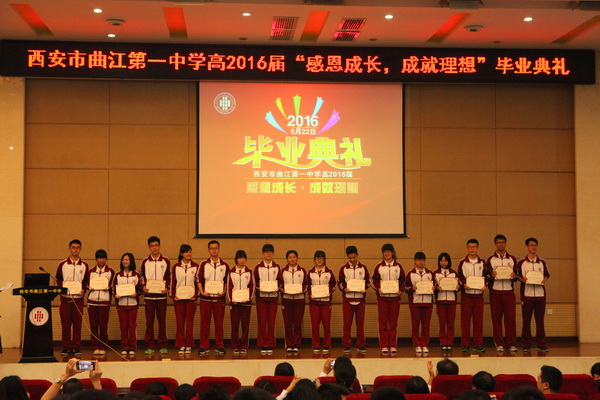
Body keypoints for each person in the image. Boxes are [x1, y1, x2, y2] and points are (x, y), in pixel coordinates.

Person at [516, 237, 550, 352]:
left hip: (540, 295)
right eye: (531, 245)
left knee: (540, 321)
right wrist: (523, 279)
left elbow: (546, 275)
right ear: (527, 247)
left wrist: (544, 280)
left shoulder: (542, 262)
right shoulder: (521, 262)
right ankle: (526, 344)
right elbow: (517, 276)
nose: (533, 247)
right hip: (527, 295)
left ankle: (541, 343)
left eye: (535, 245)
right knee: (526, 320)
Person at [485, 234, 518, 353]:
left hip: (508, 292)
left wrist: (514, 276)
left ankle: (511, 343)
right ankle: (499, 343)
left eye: (503, 242)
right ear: (495, 244)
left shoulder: (512, 259)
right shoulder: (491, 259)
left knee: (510, 319)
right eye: (498, 242)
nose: (501, 244)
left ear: (505, 243)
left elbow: (517, 275)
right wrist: (491, 275)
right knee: (496, 319)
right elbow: (486, 276)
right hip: (495, 292)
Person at [56, 239, 89, 356]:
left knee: (77, 325)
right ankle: (66, 347)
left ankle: (76, 347)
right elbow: (58, 280)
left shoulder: (84, 265)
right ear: (69, 249)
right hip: (65, 300)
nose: (75, 250)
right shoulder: (62, 264)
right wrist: (61, 291)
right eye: (73, 247)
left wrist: (83, 290)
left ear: (80, 249)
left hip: (78, 300)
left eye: (78, 248)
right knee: (65, 325)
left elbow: (86, 281)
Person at [371, 243, 405, 355]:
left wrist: (400, 290)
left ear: (392, 252)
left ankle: (393, 345)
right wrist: (378, 288)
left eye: (389, 251)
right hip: (382, 298)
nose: (387, 254)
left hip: (395, 298)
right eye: (385, 252)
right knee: (383, 322)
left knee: (393, 322)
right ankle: (384, 345)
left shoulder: (398, 267)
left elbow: (403, 280)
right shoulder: (379, 267)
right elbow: (374, 280)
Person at [197, 240, 229, 355]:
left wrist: (224, 291)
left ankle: (219, 346)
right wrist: (202, 292)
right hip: (206, 299)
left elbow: (227, 281)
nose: (214, 250)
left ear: (219, 249)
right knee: (204, 324)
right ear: (208, 250)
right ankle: (204, 346)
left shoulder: (224, 265)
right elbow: (199, 280)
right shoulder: (203, 264)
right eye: (211, 248)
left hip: (219, 299)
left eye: (216, 248)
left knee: (219, 324)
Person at [140, 235, 170, 355]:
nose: (154, 248)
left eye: (156, 245)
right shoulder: (145, 262)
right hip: (149, 297)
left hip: (161, 296)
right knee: (149, 322)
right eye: (152, 246)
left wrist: (167, 288)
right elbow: (141, 277)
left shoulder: (166, 261)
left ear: (159, 246)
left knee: (162, 321)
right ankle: (149, 345)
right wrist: (143, 287)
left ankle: (163, 345)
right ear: (149, 247)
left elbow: (168, 277)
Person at [457, 238, 487, 353]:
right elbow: (459, 276)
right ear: (467, 248)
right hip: (467, 296)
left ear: (477, 248)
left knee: (478, 322)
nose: (472, 249)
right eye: (470, 247)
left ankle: (478, 344)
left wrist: (485, 285)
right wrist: (464, 284)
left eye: (474, 247)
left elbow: (486, 276)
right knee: (465, 322)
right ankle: (465, 344)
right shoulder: (462, 262)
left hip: (479, 296)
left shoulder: (482, 262)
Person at [338, 245, 370, 353]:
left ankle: (361, 345)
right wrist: (344, 289)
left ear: (357, 255)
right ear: (347, 257)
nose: (352, 260)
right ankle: (347, 344)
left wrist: (364, 288)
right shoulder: (344, 268)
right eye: (350, 258)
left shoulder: (363, 268)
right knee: (347, 324)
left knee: (360, 323)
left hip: (360, 300)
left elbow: (368, 282)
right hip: (348, 300)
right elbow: (340, 282)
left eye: (354, 257)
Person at [86, 249, 115, 356]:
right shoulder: (91, 271)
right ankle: (95, 346)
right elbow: (86, 284)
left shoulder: (110, 271)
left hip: (104, 302)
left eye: (103, 258)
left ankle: (103, 346)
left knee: (103, 326)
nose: (101, 260)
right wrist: (89, 287)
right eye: (99, 258)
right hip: (92, 302)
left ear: (106, 259)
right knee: (93, 325)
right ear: (96, 259)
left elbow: (114, 286)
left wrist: (109, 288)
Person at [254, 243, 282, 355]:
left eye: (270, 251)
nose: (268, 254)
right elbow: (255, 281)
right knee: (262, 322)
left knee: (271, 322)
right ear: (263, 253)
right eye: (266, 252)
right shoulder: (258, 267)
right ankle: (262, 343)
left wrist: (276, 287)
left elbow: (280, 281)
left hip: (273, 298)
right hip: (261, 298)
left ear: (273, 253)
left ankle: (270, 343)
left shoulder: (277, 267)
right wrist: (260, 287)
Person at [113, 253, 143, 356]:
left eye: (127, 260)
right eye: (123, 260)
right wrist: (116, 295)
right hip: (121, 305)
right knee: (123, 326)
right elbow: (113, 289)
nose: (125, 262)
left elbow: (140, 290)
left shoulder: (136, 275)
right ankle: (125, 346)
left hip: (133, 304)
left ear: (131, 261)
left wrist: (136, 294)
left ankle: (132, 346)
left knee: (132, 326)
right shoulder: (117, 275)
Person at [171, 244, 199, 355]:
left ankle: (189, 344)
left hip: (191, 299)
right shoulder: (176, 267)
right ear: (181, 254)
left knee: (190, 322)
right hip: (179, 299)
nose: (188, 254)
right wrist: (173, 295)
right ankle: (181, 344)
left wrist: (195, 296)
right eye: (186, 252)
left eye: (190, 251)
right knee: (180, 322)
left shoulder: (196, 266)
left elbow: (198, 283)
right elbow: (173, 282)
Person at [307, 250, 336, 354]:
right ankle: (315, 345)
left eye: (321, 258)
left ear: (324, 259)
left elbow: (333, 284)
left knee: (326, 325)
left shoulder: (329, 272)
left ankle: (326, 344)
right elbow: (307, 285)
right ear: (314, 260)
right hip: (314, 302)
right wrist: (310, 293)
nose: (319, 260)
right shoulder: (310, 272)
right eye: (317, 258)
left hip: (326, 302)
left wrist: (329, 291)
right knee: (315, 325)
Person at [405, 251, 434, 353]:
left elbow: (435, 286)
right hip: (415, 303)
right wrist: (412, 288)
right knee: (415, 325)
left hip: (427, 302)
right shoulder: (411, 274)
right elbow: (406, 288)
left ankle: (424, 344)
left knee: (426, 325)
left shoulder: (430, 274)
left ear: (425, 261)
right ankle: (417, 344)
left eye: (422, 260)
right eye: (418, 260)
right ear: (415, 261)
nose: (420, 262)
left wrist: (433, 288)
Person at [228, 249, 255, 355]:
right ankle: (235, 346)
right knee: (234, 326)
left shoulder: (249, 272)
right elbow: (229, 287)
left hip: (246, 303)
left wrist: (248, 298)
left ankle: (244, 346)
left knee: (245, 325)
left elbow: (252, 286)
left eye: (243, 258)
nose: (241, 260)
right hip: (234, 304)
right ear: (236, 259)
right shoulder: (231, 272)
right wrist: (232, 300)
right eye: (239, 258)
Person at [281, 250, 307, 353]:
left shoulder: (302, 271)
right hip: (287, 300)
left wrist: (301, 290)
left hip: (299, 300)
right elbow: (279, 284)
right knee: (287, 324)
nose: (292, 259)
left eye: (294, 257)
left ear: (297, 258)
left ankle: (296, 344)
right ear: (287, 259)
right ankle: (289, 344)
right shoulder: (283, 271)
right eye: (290, 257)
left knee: (297, 323)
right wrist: (285, 290)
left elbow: (306, 284)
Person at [434, 252, 459, 352]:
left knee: (450, 322)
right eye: (441, 261)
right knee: (442, 322)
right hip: (440, 300)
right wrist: (437, 288)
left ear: (449, 261)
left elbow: (458, 287)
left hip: (451, 300)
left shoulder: (453, 273)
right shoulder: (435, 273)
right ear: (439, 262)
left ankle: (450, 342)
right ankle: (443, 342)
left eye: (445, 260)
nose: (443, 262)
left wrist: (457, 287)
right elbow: (432, 287)